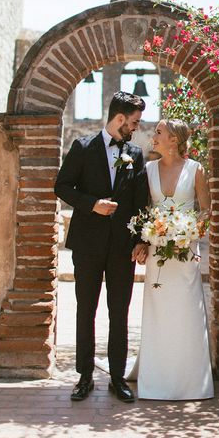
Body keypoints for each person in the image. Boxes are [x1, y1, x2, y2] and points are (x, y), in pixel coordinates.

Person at [55, 91, 149, 403]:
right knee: (86, 309)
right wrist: (92, 204)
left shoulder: (135, 154)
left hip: (123, 247)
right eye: (133, 122)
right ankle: (84, 377)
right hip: (87, 245)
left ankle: (118, 377)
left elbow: (140, 201)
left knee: (119, 312)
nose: (136, 127)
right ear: (119, 118)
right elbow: (62, 186)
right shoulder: (82, 147)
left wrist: (141, 240)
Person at [133, 118, 214, 400]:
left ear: (174, 140)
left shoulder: (196, 170)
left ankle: (190, 381)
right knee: (158, 311)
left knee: (186, 310)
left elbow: (205, 210)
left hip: (185, 251)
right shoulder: (148, 169)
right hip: (158, 251)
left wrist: (188, 230)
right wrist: (144, 240)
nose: (153, 136)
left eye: (158, 132)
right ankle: (156, 378)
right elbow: (144, 209)